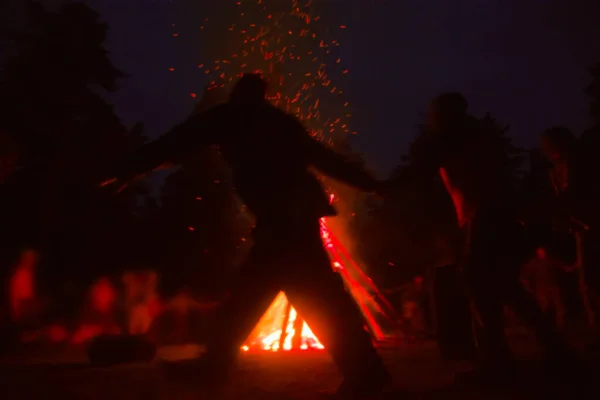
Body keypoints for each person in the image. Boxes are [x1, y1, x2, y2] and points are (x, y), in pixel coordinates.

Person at [99, 74, 391, 397]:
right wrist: (370, 184)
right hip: (293, 216)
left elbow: (177, 142)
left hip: (285, 220)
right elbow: (326, 159)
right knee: (287, 293)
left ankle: (216, 365)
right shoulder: (276, 121)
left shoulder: (232, 117)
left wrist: (133, 167)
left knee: (275, 292)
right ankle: (365, 370)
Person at [390, 93, 579, 384]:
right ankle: (556, 351)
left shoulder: (453, 137)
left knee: (479, 285)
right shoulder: (474, 136)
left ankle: (499, 362)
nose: (430, 119)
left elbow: (418, 169)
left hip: (485, 218)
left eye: (433, 113)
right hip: (494, 216)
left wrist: (380, 186)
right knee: (506, 287)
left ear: (446, 114)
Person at [540, 127, 600, 329]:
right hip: (581, 227)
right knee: (589, 279)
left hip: (591, 225)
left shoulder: (579, 162)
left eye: (547, 144)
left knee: (591, 280)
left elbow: (575, 193)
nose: (544, 149)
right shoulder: (560, 166)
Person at [521, 247, 568, 330]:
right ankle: (544, 325)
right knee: (543, 307)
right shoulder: (533, 263)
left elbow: (563, 267)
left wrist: (574, 266)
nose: (542, 254)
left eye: (543, 252)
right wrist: (527, 288)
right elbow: (525, 276)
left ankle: (560, 325)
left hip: (553, 286)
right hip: (541, 288)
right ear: (537, 254)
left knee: (559, 306)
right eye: (540, 253)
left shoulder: (550, 260)